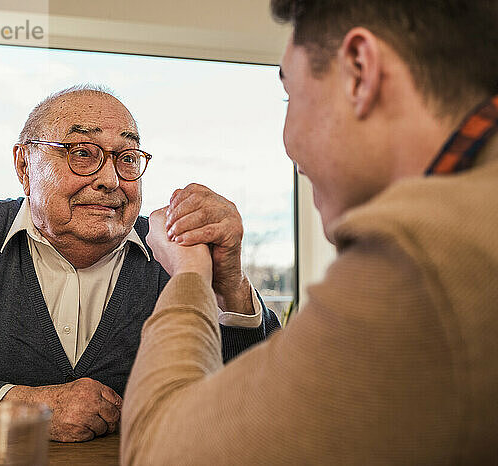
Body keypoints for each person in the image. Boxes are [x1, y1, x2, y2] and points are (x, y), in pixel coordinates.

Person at [121, 0, 498, 463]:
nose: (289, 146)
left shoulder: (424, 259)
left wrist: (188, 271)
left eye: (290, 95)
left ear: (359, 71)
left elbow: (160, 451)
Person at [0, 85, 280, 440]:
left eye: (127, 158)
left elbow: (261, 398)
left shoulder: (176, 251)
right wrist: (26, 407)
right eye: (82, 152)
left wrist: (229, 282)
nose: (110, 179)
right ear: (24, 165)